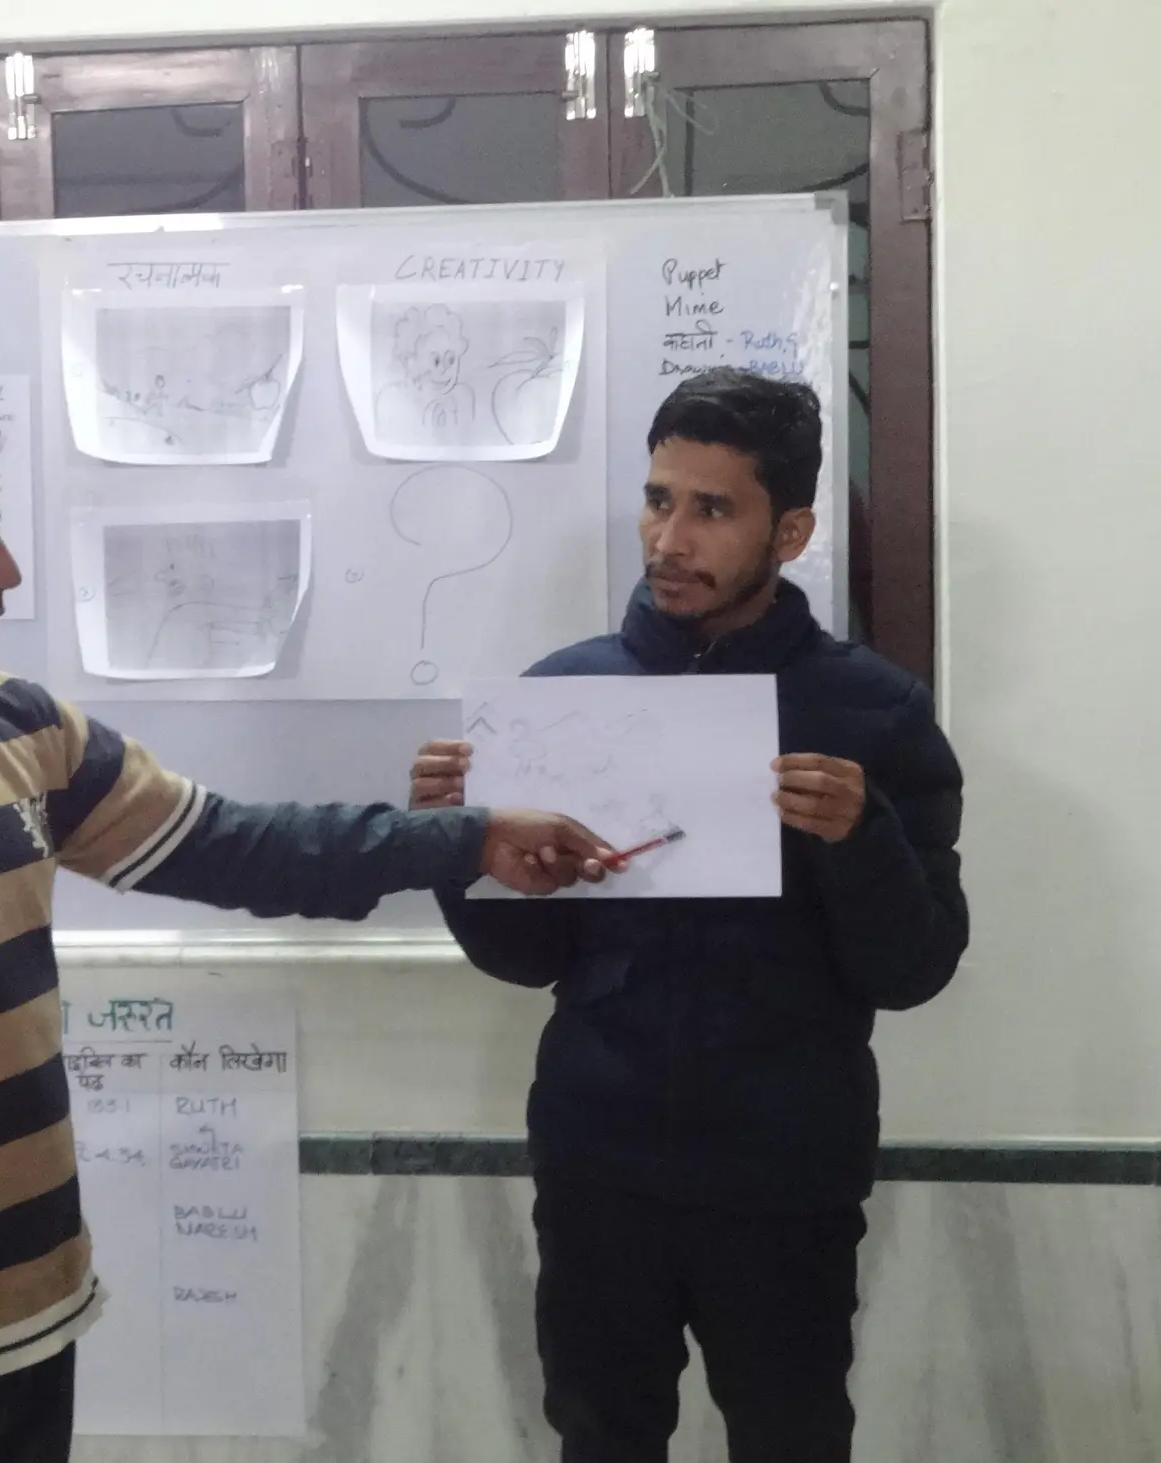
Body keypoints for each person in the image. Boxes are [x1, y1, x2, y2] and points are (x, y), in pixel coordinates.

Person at [0, 367, 615, 1463]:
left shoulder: (15, 729)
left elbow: (233, 844)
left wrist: (465, 838)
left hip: (29, 1328)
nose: (6, 572)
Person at [408, 368, 967, 1463]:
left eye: (712, 509)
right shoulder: (561, 698)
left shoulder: (876, 714)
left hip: (786, 1174)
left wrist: (860, 837)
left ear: (789, 531)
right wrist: (454, 845)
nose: (669, 539)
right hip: (598, 1161)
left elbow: (914, 968)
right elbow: (525, 958)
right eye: (658, 499)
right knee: (599, 1435)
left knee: (793, 1437)